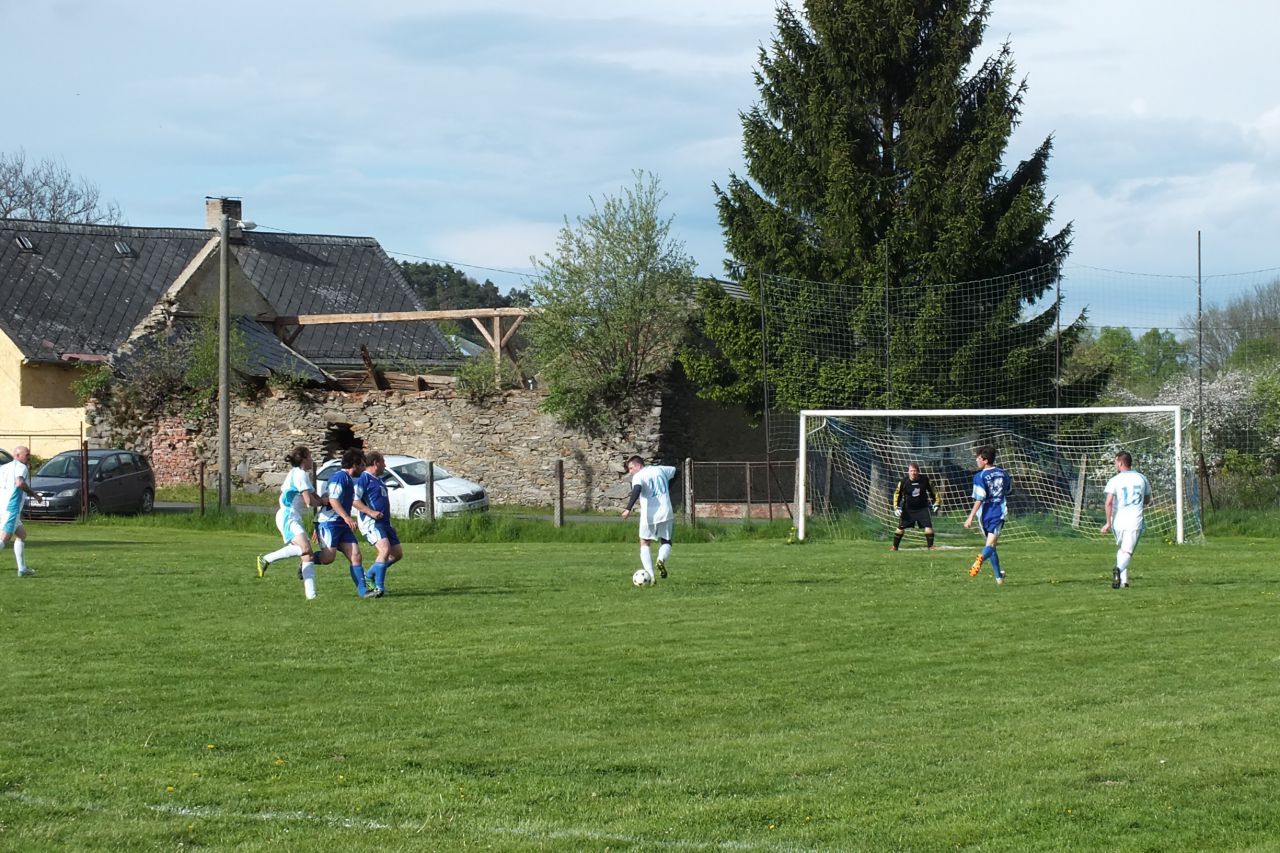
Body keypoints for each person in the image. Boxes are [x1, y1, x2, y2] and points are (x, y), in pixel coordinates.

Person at [256, 445, 329, 599]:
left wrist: (322, 500)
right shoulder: (301, 474)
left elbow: (313, 494)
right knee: (305, 549)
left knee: (307, 556)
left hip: (293, 516)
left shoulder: (298, 473)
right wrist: (324, 502)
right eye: (310, 456)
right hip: (288, 516)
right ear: (303, 459)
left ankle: (311, 596)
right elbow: (309, 501)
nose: (312, 460)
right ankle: (266, 559)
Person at [314, 447, 372, 598]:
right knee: (328, 558)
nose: (364, 468)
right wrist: (347, 517)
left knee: (356, 555)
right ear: (354, 465)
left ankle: (363, 591)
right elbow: (333, 500)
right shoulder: (339, 477)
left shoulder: (348, 479)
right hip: (330, 523)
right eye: (362, 465)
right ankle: (307, 559)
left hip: (342, 524)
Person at [353, 450, 403, 598]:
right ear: (375, 463)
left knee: (397, 554)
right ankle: (378, 587)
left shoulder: (379, 481)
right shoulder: (363, 479)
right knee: (385, 550)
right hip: (371, 522)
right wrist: (370, 512)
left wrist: (389, 523)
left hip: (385, 523)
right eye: (383, 462)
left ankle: (369, 575)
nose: (385, 465)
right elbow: (354, 500)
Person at [621, 455, 677, 582]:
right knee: (666, 540)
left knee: (645, 542)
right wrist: (667, 486)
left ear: (638, 465)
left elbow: (637, 489)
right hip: (666, 511)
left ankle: (651, 577)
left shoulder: (639, 476)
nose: (630, 471)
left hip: (649, 514)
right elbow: (676, 471)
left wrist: (628, 508)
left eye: (631, 468)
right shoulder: (661, 469)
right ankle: (661, 559)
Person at [1100, 450, 1151, 589]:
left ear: (1120, 463)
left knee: (1122, 549)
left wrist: (1108, 523)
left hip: (1118, 521)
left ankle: (1124, 581)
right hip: (1134, 520)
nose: (1115, 464)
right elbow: (1147, 500)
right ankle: (1118, 570)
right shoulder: (1142, 478)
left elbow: (1108, 502)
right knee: (1128, 551)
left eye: (1115, 462)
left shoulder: (1115, 480)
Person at [964, 446, 1011, 585]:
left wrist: (970, 516)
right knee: (990, 546)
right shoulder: (1004, 473)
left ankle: (999, 578)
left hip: (984, 514)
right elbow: (1008, 490)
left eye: (978, 458)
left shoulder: (979, 476)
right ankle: (981, 558)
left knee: (991, 546)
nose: (976, 460)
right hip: (998, 512)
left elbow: (980, 498)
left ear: (985, 460)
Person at [0, 446, 38, 577]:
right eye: (27, 455)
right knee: (3, 539)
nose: (29, 457)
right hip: (12, 508)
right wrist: (34, 495)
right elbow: (19, 483)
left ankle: (22, 569)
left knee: (21, 535)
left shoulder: (4, 467)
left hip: (3, 506)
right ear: (17, 456)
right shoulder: (21, 467)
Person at [890, 462, 940, 551]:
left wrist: (937, 503)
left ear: (918, 471)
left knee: (928, 526)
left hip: (923, 508)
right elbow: (897, 494)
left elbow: (933, 492)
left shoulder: (925, 480)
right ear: (908, 472)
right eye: (911, 471)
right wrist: (896, 507)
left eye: (915, 471)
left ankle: (930, 546)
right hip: (908, 509)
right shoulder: (903, 482)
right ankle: (894, 547)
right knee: (900, 527)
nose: (913, 473)